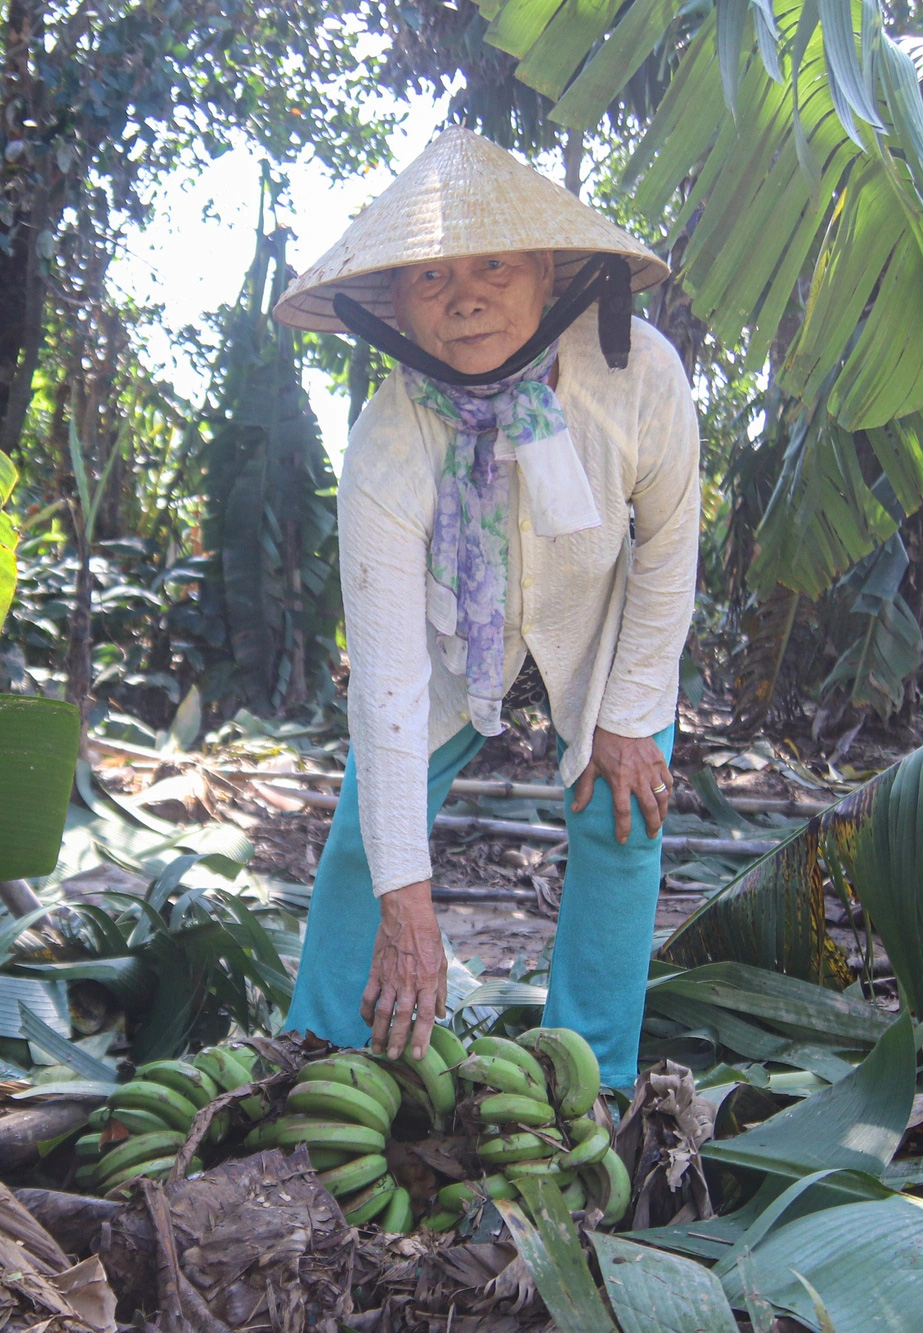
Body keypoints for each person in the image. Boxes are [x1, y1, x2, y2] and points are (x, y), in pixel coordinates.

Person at [271, 127, 700, 1091]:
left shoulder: (642, 378)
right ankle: (323, 1061)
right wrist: (408, 902)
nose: (465, 295)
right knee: (367, 845)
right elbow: (383, 679)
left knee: (624, 819)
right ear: (396, 308)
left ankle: (595, 1081)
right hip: (442, 639)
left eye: (494, 264)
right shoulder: (389, 440)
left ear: (545, 272)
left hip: (598, 617)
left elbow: (670, 550)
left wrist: (630, 717)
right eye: (431, 279)